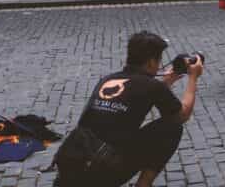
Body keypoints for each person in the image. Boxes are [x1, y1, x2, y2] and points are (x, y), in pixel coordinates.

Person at [68, 31, 202, 187]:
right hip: (102, 174)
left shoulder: (109, 79)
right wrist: (193, 78)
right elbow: (182, 115)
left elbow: (136, 98)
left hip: (72, 166)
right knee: (172, 128)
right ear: (152, 62)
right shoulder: (152, 86)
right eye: (159, 61)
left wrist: (164, 84)